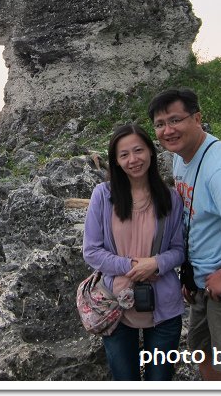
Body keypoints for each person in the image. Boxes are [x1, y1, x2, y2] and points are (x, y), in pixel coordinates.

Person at [148, 89, 221, 381]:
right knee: (203, 355)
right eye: (160, 124)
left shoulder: (220, 168)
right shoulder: (181, 158)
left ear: (197, 118)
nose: (168, 130)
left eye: (175, 120)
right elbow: (196, 220)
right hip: (204, 282)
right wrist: (190, 275)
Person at [82, 124, 185, 380]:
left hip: (164, 306)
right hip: (116, 306)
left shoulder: (170, 198)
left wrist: (157, 263)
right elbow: (91, 251)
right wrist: (132, 265)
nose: (133, 159)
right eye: (124, 154)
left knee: (160, 381)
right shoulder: (103, 195)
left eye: (138, 150)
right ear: (115, 162)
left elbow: (180, 250)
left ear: (151, 152)